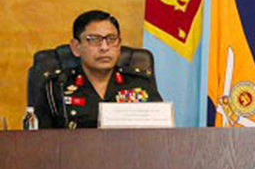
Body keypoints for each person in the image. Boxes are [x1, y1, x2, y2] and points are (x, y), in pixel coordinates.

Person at [34, 10, 162, 129]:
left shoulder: (140, 84)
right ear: (76, 47)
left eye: (111, 39)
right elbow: (40, 142)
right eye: (94, 40)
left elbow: (160, 136)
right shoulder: (57, 86)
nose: (104, 47)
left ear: (119, 45)